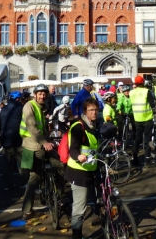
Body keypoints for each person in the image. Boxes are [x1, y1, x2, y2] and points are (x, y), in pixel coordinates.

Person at [20, 84, 65, 219]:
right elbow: (32, 127)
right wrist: (44, 142)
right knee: (35, 177)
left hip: (42, 144)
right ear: (35, 94)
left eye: (44, 93)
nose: (42, 96)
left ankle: (60, 198)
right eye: (39, 93)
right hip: (32, 146)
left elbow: (43, 128)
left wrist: (50, 139)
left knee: (61, 165)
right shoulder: (29, 106)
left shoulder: (41, 108)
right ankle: (27, 211)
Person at [65, 97, 100, 239]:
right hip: (78, 172)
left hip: (91, 168)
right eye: (91, 110)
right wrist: (78, 156)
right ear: (85, 112)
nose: (94, 112)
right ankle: (76, 235)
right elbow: (72, 148)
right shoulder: (79, 127)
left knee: (98, 197)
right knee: (80, 207)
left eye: (96, 110)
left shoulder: (93, 125)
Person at [0, 91, 29, 190]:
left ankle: (7, 184)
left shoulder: (3, 109)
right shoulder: (21, 108)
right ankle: (26, 181)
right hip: (16, 139)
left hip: (5, 139)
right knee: (22, 161)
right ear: (18, 99)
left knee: (7, 163)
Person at [130, 75, 156, 167]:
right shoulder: (146, 91)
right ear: (143, 82)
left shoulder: (131, 93)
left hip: (137, 118)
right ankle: (147, 159)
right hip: (147, 118)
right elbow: (152, 104)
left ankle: (135, 158)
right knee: (147, 139)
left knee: (137, 138)